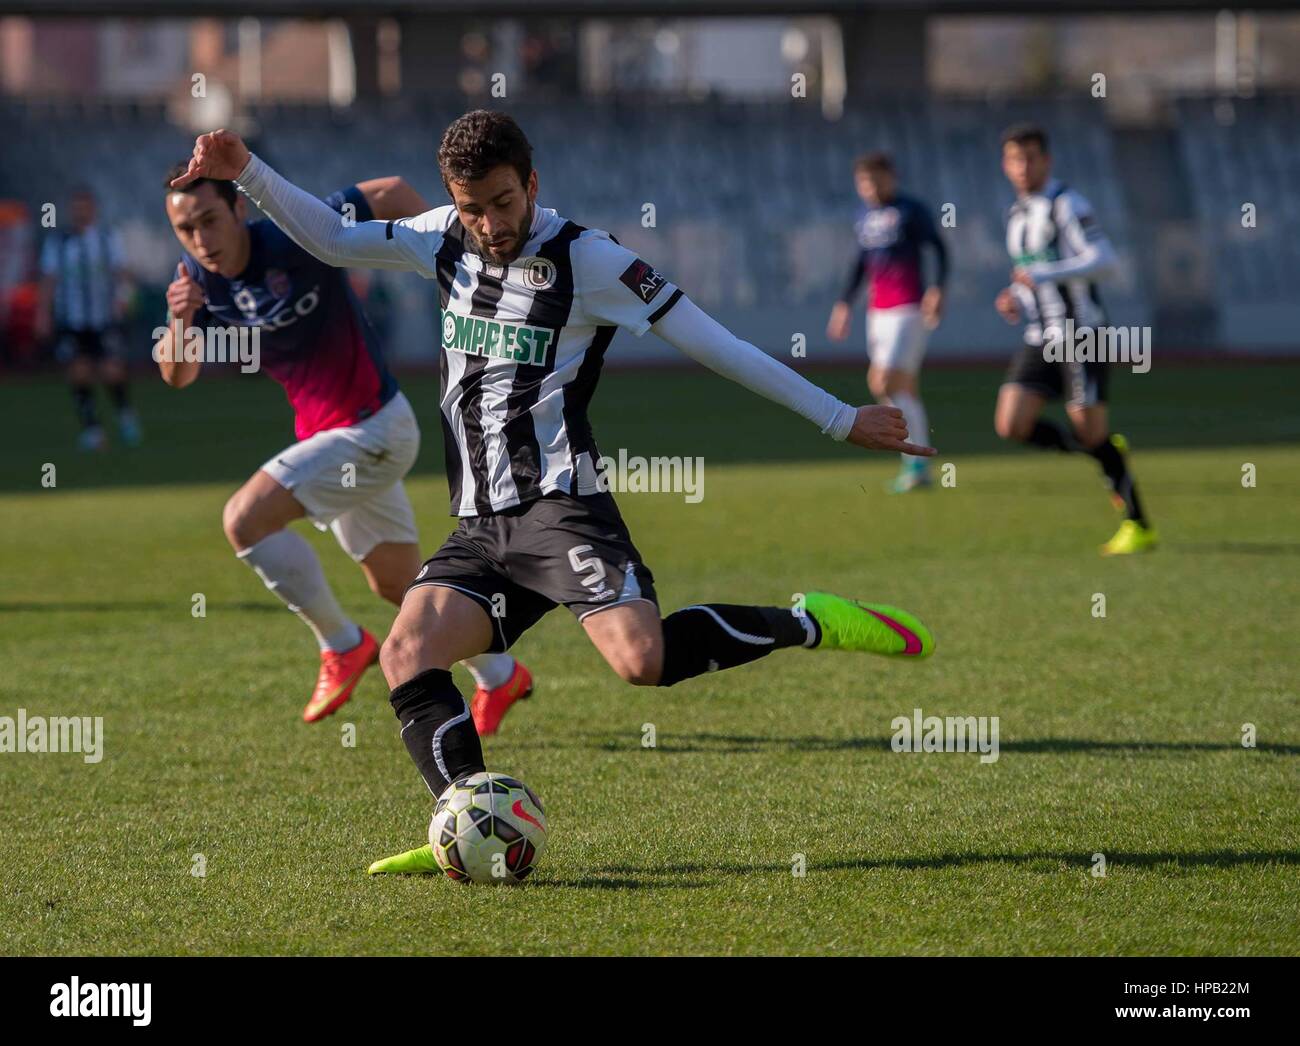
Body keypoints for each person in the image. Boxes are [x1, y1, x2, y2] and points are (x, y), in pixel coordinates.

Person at [171, 112, 936, 875]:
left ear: (531, 185)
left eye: (503, 203)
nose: (490, 224)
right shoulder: (442, 236)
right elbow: (334, 241)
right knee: (407, 654)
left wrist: (842, 419)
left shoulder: (591, 261)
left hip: (561, 507)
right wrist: (247, 170)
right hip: (480, 524)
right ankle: (464, 821)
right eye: (472, 207)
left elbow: (719, 346)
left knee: (643, 662)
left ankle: (808, 621)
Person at [157, 162, 531, 726]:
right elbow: (177, 377)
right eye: (187, 229)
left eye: (210, 219)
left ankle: (341, 642)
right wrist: (180, 320)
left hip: (374, 427)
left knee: (244, 520)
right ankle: (501, 676)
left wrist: (456, 258)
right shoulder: (196, 278)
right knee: (400, 586)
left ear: (239, 208)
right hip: (332, 439)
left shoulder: (292, 231)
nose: (201, 239)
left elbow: (391, 191)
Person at [994, 123, 1156, 556]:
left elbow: (1104, 261)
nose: (1023, 166)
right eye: (1015, 159)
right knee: (1011, 424)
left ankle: (1138, 526)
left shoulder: (1067, 204)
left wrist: (1046, 273)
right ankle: (1102, 451)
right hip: (1039, 334)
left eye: (1031, 157)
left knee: (1089, 430)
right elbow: (1032, 277)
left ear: (1046, 160)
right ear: (1006, 165)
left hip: (1083, 334)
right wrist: (1015, 297)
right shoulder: (1015, 216)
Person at [827, 152, 946, 493]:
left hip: (908, 308)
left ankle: (917, 461)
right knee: (900, 387)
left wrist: (937, 289)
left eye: (876, 179)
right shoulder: (865, 216)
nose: (871, 187)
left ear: (891, 177)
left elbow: (939, 250)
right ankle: (919, 462)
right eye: (864, 182)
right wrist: (844, 305)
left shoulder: (911, 210)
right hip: (877, 312)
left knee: (883, 381)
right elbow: (862, 263)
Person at [36, 187, 140, 450]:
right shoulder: (58, 243)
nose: (81, 212)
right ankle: (92, 429)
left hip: (103, 318)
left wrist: (123, 299)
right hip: (71, 320)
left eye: (85, 206)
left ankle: (125, 414)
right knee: (79, 372)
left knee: (111, 370)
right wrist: (42, 314)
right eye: (76, 207)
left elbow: (123, 273)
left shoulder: (107, 238)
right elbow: (49, 280)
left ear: (93, 209)